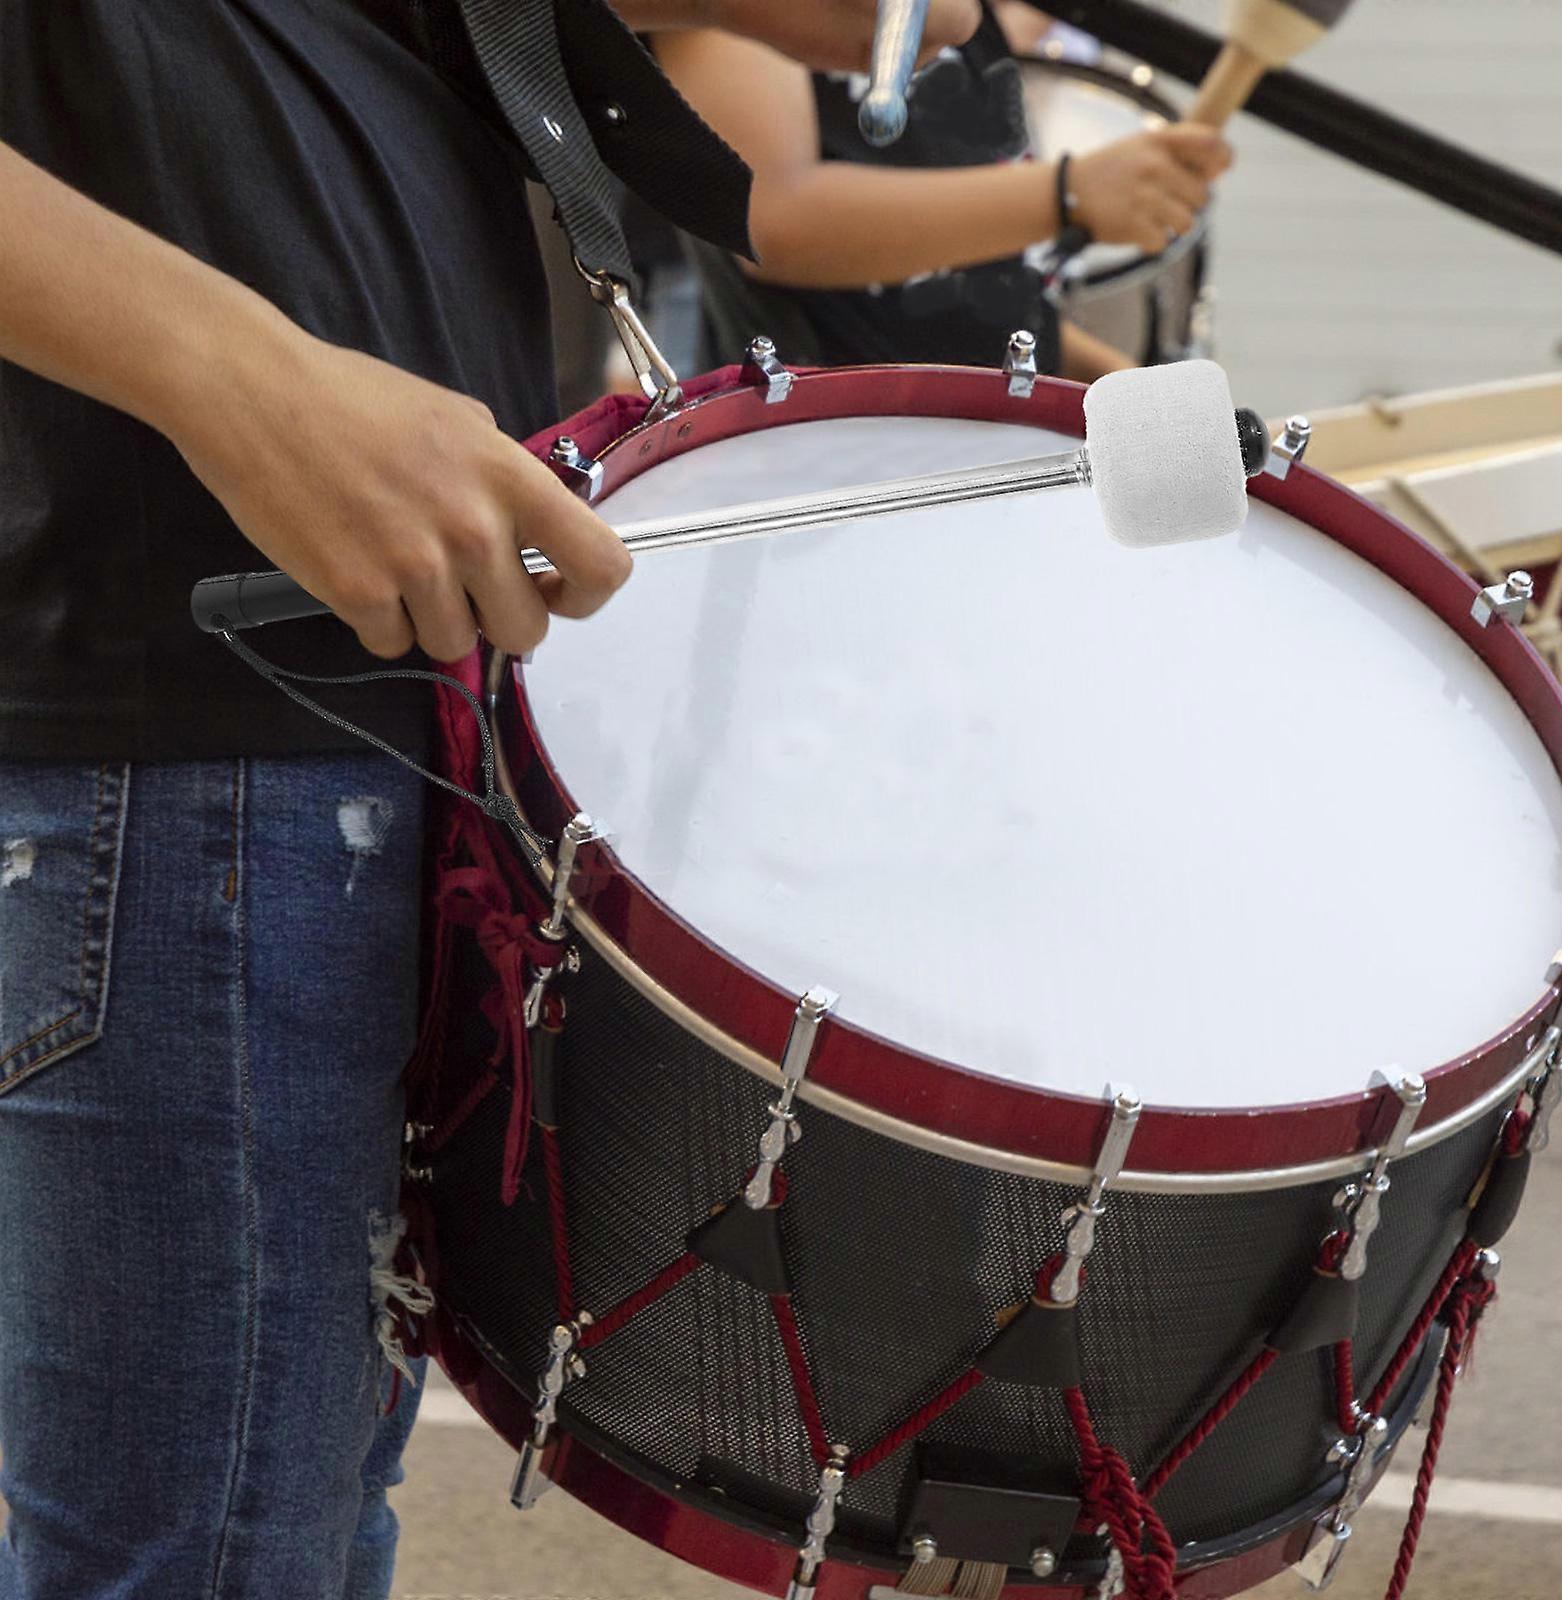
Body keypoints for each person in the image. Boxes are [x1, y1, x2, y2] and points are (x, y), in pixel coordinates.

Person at [0, 3, 981, 1597]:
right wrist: (238, 371)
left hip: (362, 747)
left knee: (292, 1527)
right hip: (190, 752)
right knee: (214, 1556)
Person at [655, 3, 1232, 381]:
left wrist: (1121, 383)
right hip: (824, 476)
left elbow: (971, 296)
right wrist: (1064, 193)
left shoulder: (969, 20)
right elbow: (770, 218)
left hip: (984, 462)